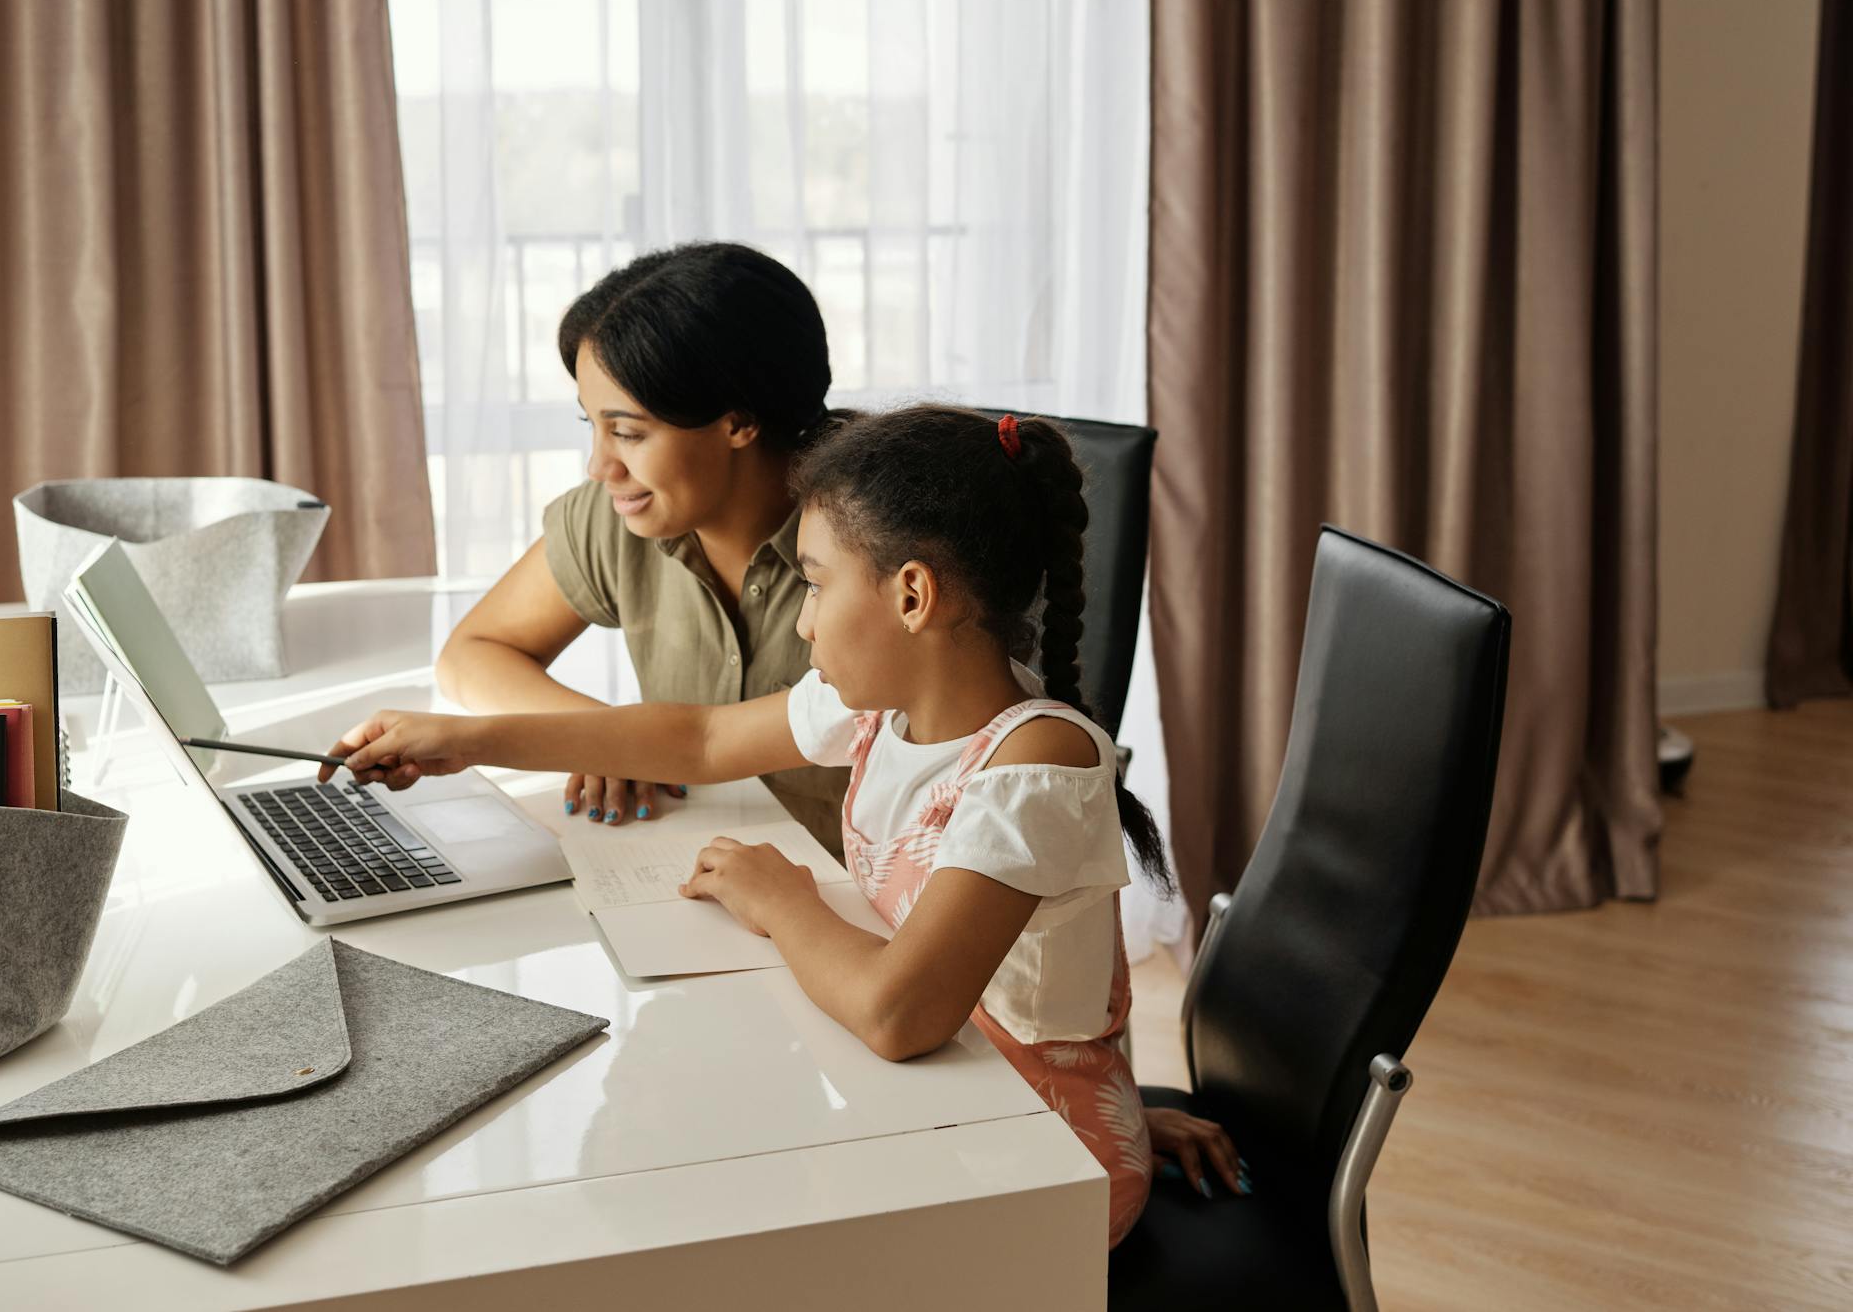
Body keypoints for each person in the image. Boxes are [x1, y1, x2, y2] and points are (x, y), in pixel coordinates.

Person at [324, 404, 1246, 1249]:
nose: (802, 623)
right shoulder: (889, 707)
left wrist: (782, 900)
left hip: (1034, 1173)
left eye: (813, 584)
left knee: (704, 1211)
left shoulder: (1032, 766)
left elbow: (897, 1014)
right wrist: (467, 739)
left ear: (912, 596)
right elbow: (699, 736)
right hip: (953, 1099)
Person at [434, 241, 849, 851]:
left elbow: (703, 743)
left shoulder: (880, 537)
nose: (599, 466)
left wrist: (620, 741)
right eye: (592, 424)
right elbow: (470, 655)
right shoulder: (625, 512)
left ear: (739, 421)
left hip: (866, 897)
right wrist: (607, 738)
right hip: (693, 874)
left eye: (627, 432)